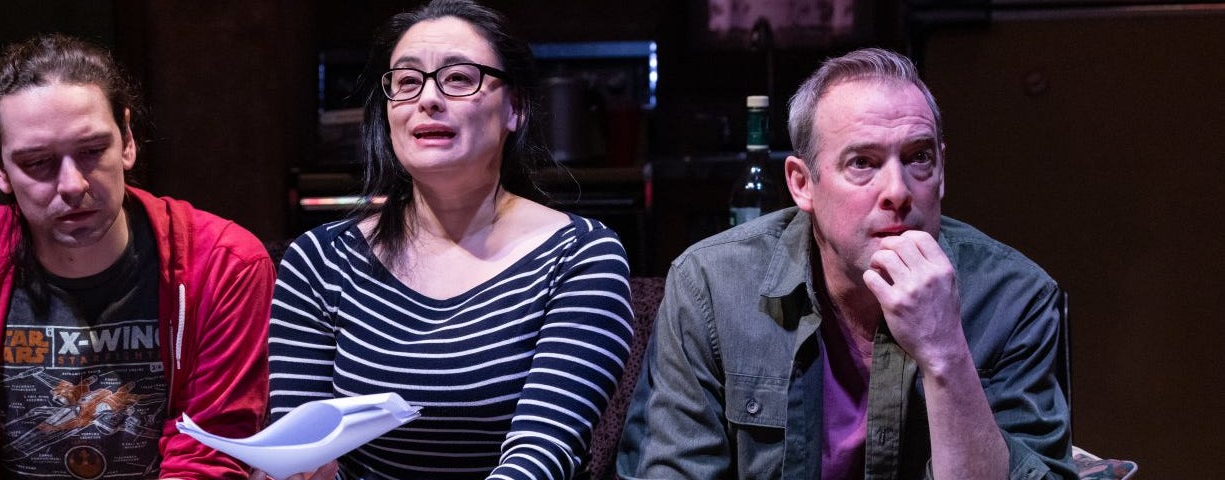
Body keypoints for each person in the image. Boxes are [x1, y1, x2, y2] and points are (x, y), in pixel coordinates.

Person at [616, 48, 1075, 479]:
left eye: (919, 158)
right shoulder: (711, 286)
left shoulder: (1017, 298)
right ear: (802, 184)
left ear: (941, 172)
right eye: (863, 162)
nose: (897, 190)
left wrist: (945, 355)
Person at [266, 1, 635, 479]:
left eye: (460, 78)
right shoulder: (320, 261)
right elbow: (303, 454)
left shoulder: (581, 256)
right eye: (406, 81)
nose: (428, 99)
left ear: (516, 108)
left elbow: (541, 456)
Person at [0, 34, 274, 480]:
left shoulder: (224, 264)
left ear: (127, 140)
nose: (72, 185)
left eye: (92, 152)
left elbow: (210, 454)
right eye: (38, 163)